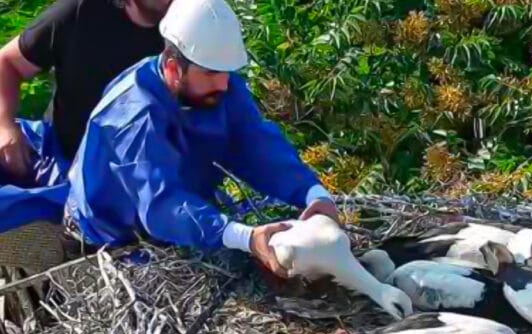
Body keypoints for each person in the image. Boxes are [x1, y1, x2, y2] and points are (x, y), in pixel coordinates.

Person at [64, 0, 338, 276]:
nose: (223, 84)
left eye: (226, 73)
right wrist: (245, 237)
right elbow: (161, 203)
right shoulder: (133, 116)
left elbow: (257, 146)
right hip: (108, 244)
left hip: (182, 225)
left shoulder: (220, 87)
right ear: (173, 68)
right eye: (210, 73)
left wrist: (313, 194)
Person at [0, 0, 173, 232]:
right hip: (63, 154)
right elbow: (8, 62)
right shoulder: (82, 10)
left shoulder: (191, 28)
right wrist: (4, 124)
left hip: (141, 178)